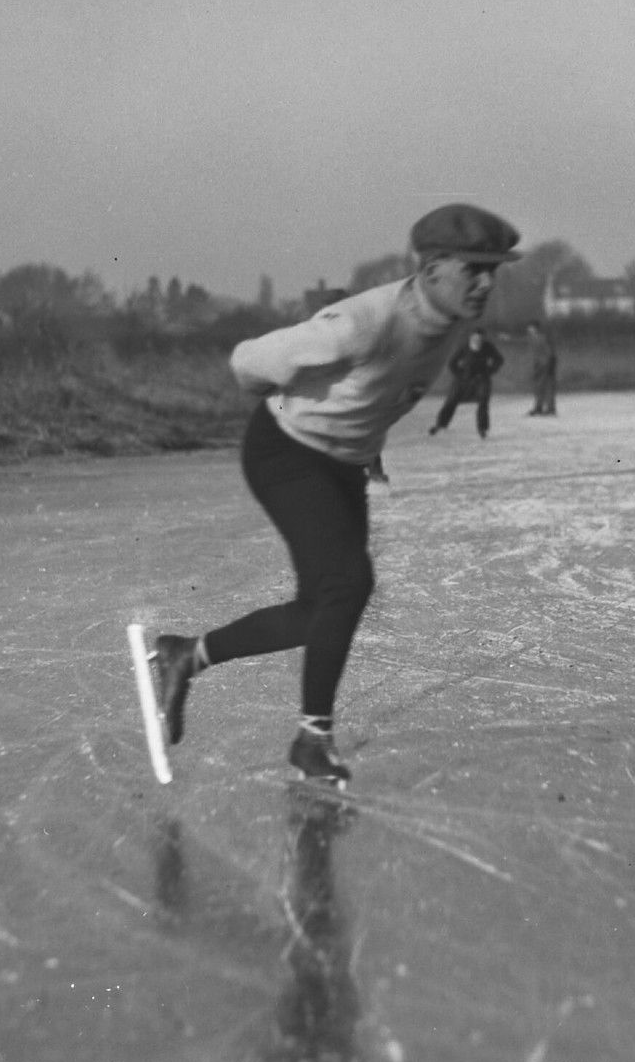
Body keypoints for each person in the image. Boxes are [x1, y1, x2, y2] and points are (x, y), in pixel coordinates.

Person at [140, 202, 523, 786]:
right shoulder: (362, 321)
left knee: (322, 609)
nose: (488, 283)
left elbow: (385, 389)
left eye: (495, 269)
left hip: (343, 463)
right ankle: (312, 740)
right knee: (348, 584)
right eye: (475, 269)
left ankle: (185, 656)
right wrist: (298, 396)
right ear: (432, 269)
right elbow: (248, 364)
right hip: (286, 452)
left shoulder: (454, 317)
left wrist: (364, 442)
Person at [427, 328, 505, 439]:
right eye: (475, 338)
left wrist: (490, 371)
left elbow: (499, 360)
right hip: (464, 380)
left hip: (481, 379)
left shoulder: (488, 347)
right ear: (471, 337)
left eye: (480, 338)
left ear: (483, 339)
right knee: (451, 401)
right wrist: (459, 374)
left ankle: (482, 428)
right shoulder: (464, 347)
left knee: (483, 402)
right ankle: (440, 424)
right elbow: (452, 362)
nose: (477, 340)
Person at [523, 319, 558, 416]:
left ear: (534, 328)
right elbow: (521, 340)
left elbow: (549, 351)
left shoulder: (541, 338)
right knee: (540, 387)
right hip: (541, 365)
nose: (528, 329)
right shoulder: (533, 338)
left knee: (545, 387)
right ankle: (541, 407)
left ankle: (547, 408)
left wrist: (549, 364)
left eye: (530, 327)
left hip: (544, 365)